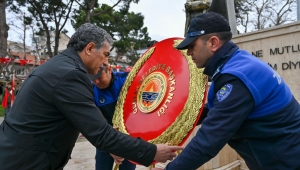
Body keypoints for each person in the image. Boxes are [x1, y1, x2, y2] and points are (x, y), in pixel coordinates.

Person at [0, 23, 183, 170]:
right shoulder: (71, 75)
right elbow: (100, 133)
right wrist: (151, 152)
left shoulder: (58, 66)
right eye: (104, 55)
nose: (105, 62)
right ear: (89, 48)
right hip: (26, 161)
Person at [154, 12, 300, 170]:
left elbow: (209, 140)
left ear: (213, 43)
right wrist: (176, 118)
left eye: (192, 46)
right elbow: (214, 110)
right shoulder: (233, 66)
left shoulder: (237, 78)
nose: (189, 53)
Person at [89, 65, 136, 170]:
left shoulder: (127, 80)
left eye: (99, 77)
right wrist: (110, 147)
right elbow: (93, 123)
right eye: (93, 79)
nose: (96, 82)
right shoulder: (90, 91)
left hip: (129, 140)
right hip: (105, 139)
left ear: (109, 70)